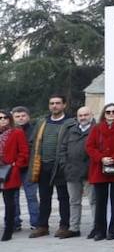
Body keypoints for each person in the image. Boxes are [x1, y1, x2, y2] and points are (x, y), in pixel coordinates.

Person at [28, 96, 73, 238]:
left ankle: (64, 226)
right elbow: (33, 142)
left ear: (64, 105)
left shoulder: (70, 123)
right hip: (43, 165)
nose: (54, 106)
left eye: (58, 103)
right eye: (52, 103)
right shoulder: (42, 122)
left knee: (64, 197)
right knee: (44, 197)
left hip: (60, 166)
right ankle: (42, 226)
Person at [85, 103, 114, 241]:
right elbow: (89, 146)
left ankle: (113, 231)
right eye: (108, 112)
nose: (111, 114)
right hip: (99, 169)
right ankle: (100, 231)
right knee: (100, 203)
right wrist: (101, 158)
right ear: (104, 114)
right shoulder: (97, 128)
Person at [58, 106, 94, 238]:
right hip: (72, 172)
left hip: (89, 172)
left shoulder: (96, 130)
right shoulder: (71, 130)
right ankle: (74, 228)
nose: (83, 118)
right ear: (77, 117)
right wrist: (65, 165)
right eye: (80, 115)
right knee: (74, 201)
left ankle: (96, 227)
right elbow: (62, 149)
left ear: (91, 115)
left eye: (85, 115)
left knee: (93, 201)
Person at [0, 111, 31, 240]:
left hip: (9, 171)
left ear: (10, 119)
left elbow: (24, 152)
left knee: (9, 201)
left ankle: (9, 229)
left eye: (4, 117)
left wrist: (15, 166)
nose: (2, 120)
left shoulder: (17, 132)